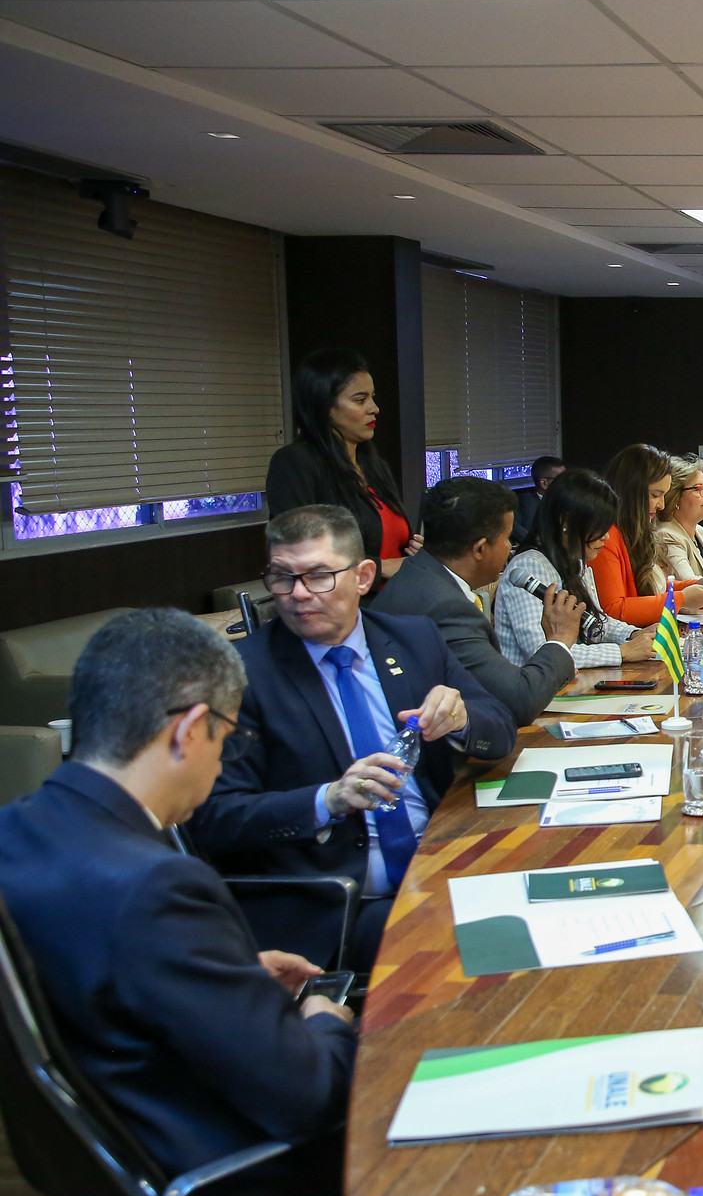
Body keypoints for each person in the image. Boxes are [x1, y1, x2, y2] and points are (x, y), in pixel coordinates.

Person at [0, 610, 356, 1196]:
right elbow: (309, 1093)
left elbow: (101, 978)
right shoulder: (157, 884)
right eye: (228, 736)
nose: (224, 760)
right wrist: (325, 1014)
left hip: (143, 1169)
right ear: (190, 729)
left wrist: (224, 974)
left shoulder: (18, 831)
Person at [188, 505, 517, 970]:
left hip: (447, 861)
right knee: (481, 946)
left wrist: (462, 719)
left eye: (319, 576)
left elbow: (500, 725)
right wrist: (328, 799)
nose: (298, 595)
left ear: (363, 577)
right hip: (340, 902)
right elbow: (215, 817)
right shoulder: (239, 674)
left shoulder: (413, 639)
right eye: (282, 578)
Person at [376, 477, 580, 728]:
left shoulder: (417, 575)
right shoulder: (445, 607)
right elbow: (518, 701)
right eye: (507, 539)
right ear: (480, 549)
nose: (509, 548)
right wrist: (559, 640)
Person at [265, 348, 421, 583]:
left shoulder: (374, 464)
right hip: (343, 609)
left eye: (373, 397)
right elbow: (299, 554)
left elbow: (391, 542)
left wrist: (416, 552)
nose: (374, 408)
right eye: (360, 400)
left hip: (396, 603)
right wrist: (383, 567)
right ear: (324, 406)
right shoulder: (295, 463)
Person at [497, 468, 657, 669]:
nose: (606, 537)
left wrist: (634, 635)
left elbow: (596, 623)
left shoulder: (575, 559)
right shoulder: (529, 566)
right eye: (599, 527)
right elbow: (542, 652)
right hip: (538, 693)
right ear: (566, 521)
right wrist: (622, 652)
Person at [592, 443, 703, 625]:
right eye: (655, 495)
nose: (661, 505)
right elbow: (613, 610)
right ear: (631, 493)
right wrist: (681, 598)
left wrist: (695, 586)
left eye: (663, 495)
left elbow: (653, 588)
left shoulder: (637, 530)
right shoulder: (604, 538)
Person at [653, 453, 703, 589]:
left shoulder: (700, 531)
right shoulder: (667, 535)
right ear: (675, 497)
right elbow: (691, 585)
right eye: (698, 489)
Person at [512, 455, 565, 545]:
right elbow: (513, 528)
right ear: (544, 483)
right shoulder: (525, 503)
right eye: (562, 479)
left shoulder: (569, 502)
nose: (566, 483)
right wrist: (539, 543)